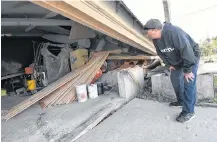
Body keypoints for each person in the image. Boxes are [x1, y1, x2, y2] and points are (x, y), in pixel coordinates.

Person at [143, 19, 201, 123]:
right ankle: (181, 101)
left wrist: (187, 70)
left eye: (148, 32)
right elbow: (160, 53)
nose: (147, 35)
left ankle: (189, 111)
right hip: (177, 58)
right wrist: (169, 64)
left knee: (188, 81)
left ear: (155, 30)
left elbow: (186, 50)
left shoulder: (174, 33)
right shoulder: (155, 38)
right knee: (175, 78)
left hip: (191, 55)